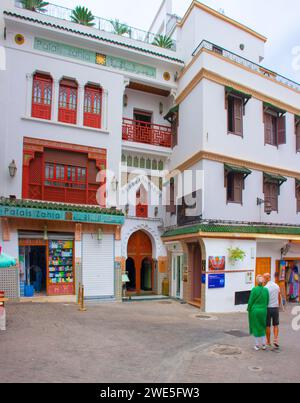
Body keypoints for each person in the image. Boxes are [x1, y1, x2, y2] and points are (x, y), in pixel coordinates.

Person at [247, 275, 269, 351]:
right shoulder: (266, 290)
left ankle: (257, 345)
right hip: (263, 310)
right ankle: (264, 344)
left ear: (257, 281)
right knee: (263, 326)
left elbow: (250, 301)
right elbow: (267, 301)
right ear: (263, 282)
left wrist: (248, 309)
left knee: (255, 326)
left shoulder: (254, 289)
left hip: (255, 310)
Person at [263, 273, 282, 349]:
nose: (263, 279)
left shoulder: (265, 288)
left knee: (267, 325)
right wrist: (278, 305)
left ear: (266, 278)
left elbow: (265, 299)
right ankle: (275, 339)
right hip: (275, 308)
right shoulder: (276, 285)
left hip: (268, 308)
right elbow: (279, 296)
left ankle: (268, 341)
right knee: (276, 324)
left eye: (264, 278)